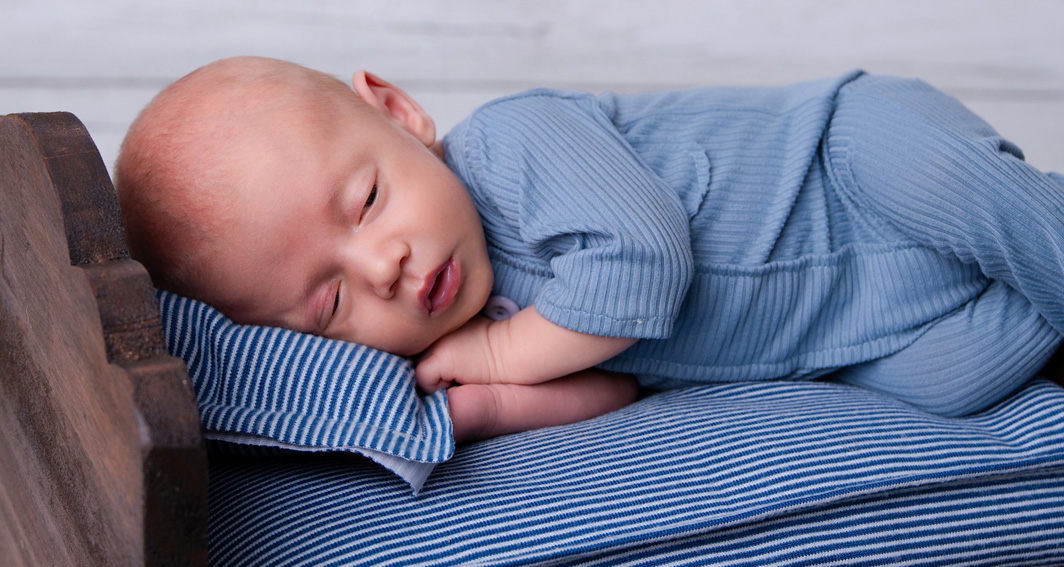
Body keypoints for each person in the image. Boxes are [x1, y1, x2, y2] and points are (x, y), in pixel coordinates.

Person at [115, 57, 1064, 441]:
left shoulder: (510, 144)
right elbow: (614, 389)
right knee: (940, 396)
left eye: (366, 200)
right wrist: (487, 405)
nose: (384, 268)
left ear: (400, 114)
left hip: (851, 164)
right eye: (329, 306)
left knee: (962, 192)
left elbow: (644, 260)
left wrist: (498, 353)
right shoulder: (489, 329)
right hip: (858, 333)